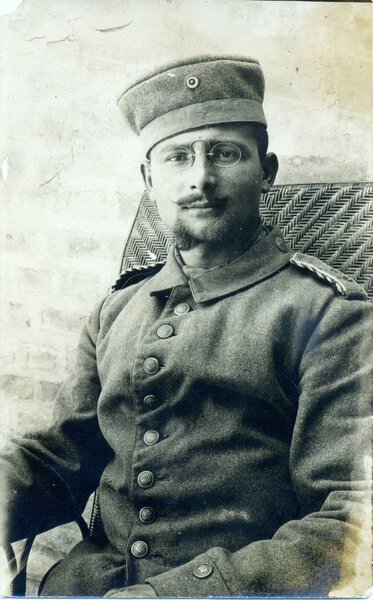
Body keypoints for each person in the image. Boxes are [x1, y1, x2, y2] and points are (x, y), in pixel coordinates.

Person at [0, 56, 371, 598]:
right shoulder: (117, 309)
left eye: (225, 153)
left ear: (266, 171)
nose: (201, 178)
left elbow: (351, 519)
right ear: (150, 180)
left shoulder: (330, 317)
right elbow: (62, 456)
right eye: (178, 157)